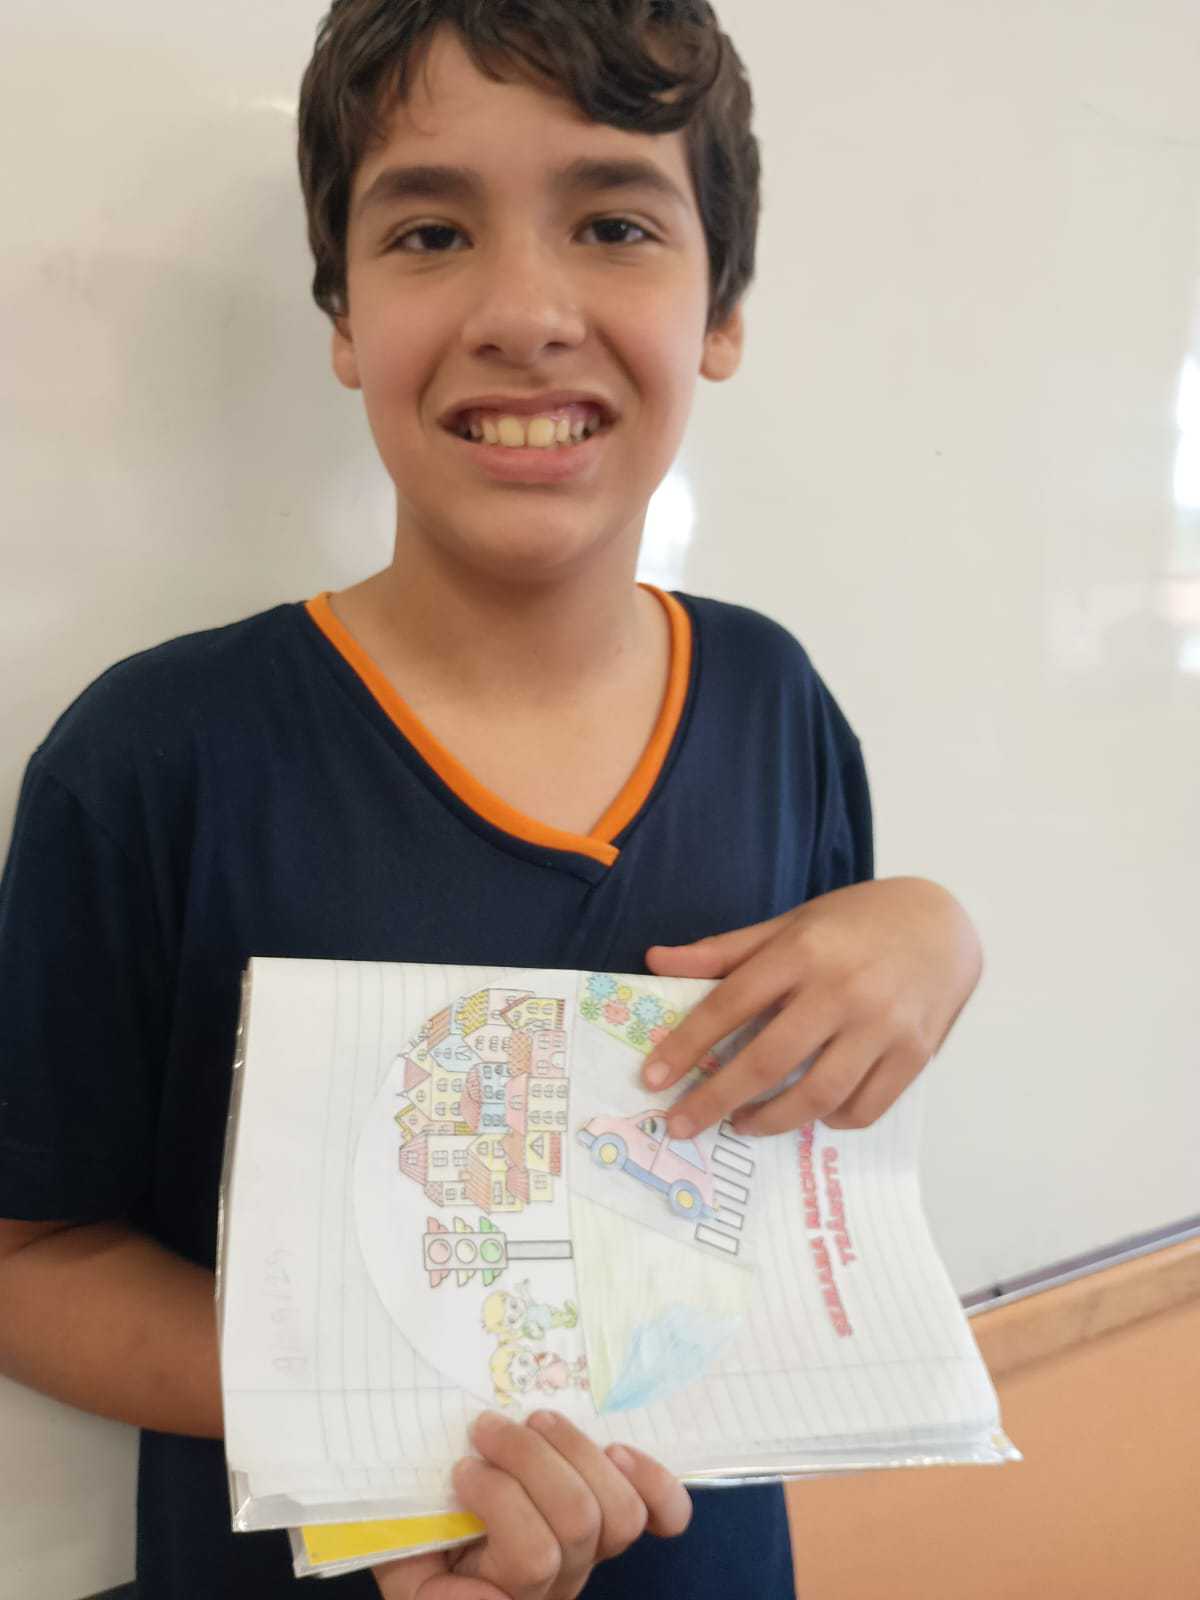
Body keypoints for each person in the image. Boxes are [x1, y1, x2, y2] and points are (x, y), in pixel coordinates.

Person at [0, 2, 983, 1596]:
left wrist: (931, 936)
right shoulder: (153, 760)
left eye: (614, 224)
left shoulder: (774, 701)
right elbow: (28, 1258)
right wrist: (406, 1429)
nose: (525, 312)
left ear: (722, 306)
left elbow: (801, 1122)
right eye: (432, 232)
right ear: (344, 314)